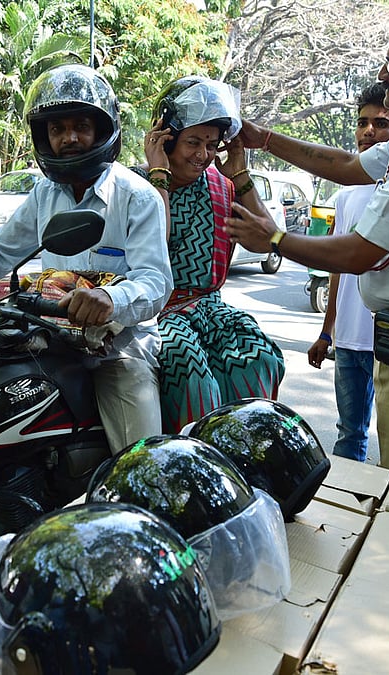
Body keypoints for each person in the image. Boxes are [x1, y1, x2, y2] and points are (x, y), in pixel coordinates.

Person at [226, 0, 389, 483]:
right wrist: (263, 138)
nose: (385, 73)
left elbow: (361, 252)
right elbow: (348, 167)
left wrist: (273, 238)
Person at [0, 64, 173, 454]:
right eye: (57, 129)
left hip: (119, 348)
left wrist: (111, 300)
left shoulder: (138, 196)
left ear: (102, 130)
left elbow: (155, 281)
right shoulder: (45, 194)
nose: (69, 138)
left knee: (139, 459)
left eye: (80, 126)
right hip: (50, 336)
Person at [136, 76, 285, 432]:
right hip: (157, 310)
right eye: (192, 142)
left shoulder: (222, 186)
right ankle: (190, 462)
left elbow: (268, 241)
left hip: (209, 306)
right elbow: (154, 242)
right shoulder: (135, 184)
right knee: (188, 369)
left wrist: (240, 173)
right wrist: (158, 174)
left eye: (211, 145)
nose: (203, 155)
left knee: (258, 356)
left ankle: (250, 454)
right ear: (165, 138)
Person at [307, 83, 389, 463]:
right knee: (350, 434)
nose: (368, 132)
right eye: (362, 122)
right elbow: (337, 271)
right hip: (348, 339)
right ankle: (346, 514)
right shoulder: (346, 195)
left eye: (381, 123)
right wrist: (326, 331)